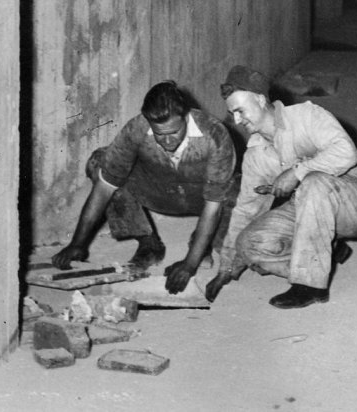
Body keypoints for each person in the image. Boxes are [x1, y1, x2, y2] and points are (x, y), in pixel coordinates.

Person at [205, 65, 357, 309]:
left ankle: (310, 286)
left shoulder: (306, 116)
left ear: (259, 99)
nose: (237, 120)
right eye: (232, 114)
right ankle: (324, 252)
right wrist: (227, 266)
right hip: (309, 207)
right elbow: (246, 209)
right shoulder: (256, 154)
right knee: (248, 244)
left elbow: (347, 153)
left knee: (313, 182)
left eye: (240, 111)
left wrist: (297, 171)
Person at [51, 80, 237, 295]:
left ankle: (202, 243)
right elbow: (104, 189)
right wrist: (77, 243)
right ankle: (149, 244)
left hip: (202, 199)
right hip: (160, 191)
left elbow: (213, 207)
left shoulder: (214, 134)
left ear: (186, 115)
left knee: (236, 189)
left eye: (174, 132)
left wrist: (189, 264)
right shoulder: (136, 129)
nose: (167, 141)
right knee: (100, 162)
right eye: (160, 134)